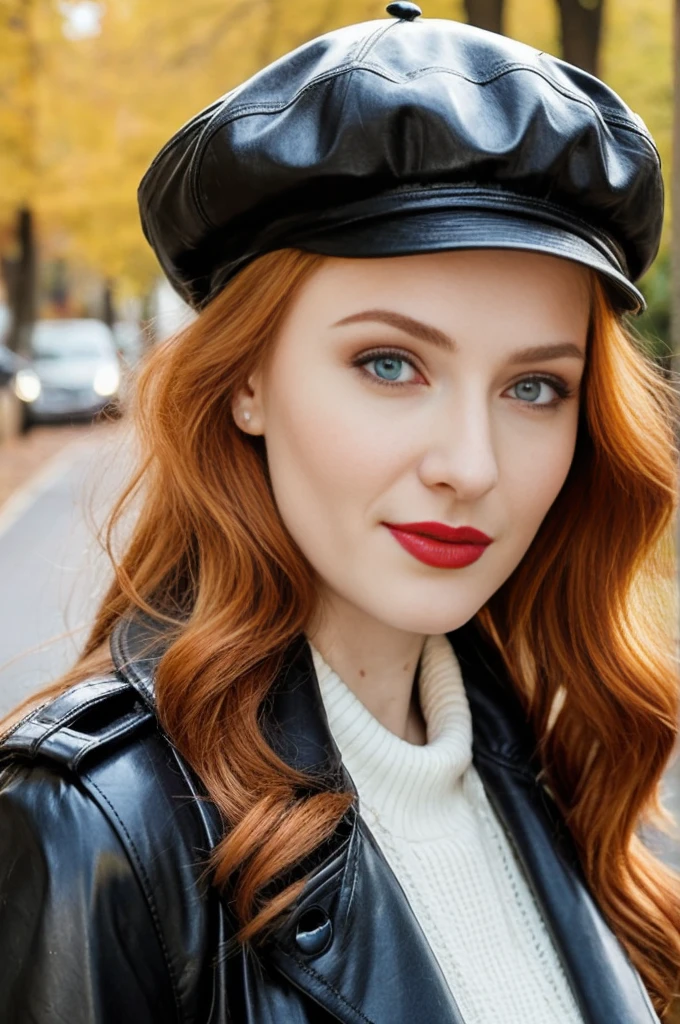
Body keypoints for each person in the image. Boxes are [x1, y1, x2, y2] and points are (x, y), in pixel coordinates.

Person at [1, 4, 679, 1022]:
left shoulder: (554, 751)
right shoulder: (93, 829)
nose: (468, 464)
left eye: (533, 387)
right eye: (389, 363)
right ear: (247, 384)